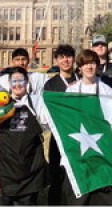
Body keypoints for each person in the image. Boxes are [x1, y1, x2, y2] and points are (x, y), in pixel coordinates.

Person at [62, 50, 112, 205]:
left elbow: (111, 119)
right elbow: (66, 119)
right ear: (79, 68)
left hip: (100, 143)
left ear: (97, 65)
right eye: (85, 64)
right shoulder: (71, 90)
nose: (89, 67)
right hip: (79, 145)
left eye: (92, 63)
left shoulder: (105, 89)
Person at [0, 67, 49, 205]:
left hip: (31, 164)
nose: (17, 85)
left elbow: (48, 121)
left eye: (21, 80)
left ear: (27, 81)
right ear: (9, 83)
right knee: (8, 200)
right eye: (14, 81)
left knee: (29, 201)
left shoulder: (36, 102)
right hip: (7, 164)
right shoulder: (0, 102)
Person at [43, 44, 78, 205]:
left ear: (74, 58)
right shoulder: (51, 85)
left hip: (80, 136)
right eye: (62, 57)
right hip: (59, 138)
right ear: (56, 60)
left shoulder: (82, 79)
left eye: (69, 56)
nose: (66, 60)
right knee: (58, 176)